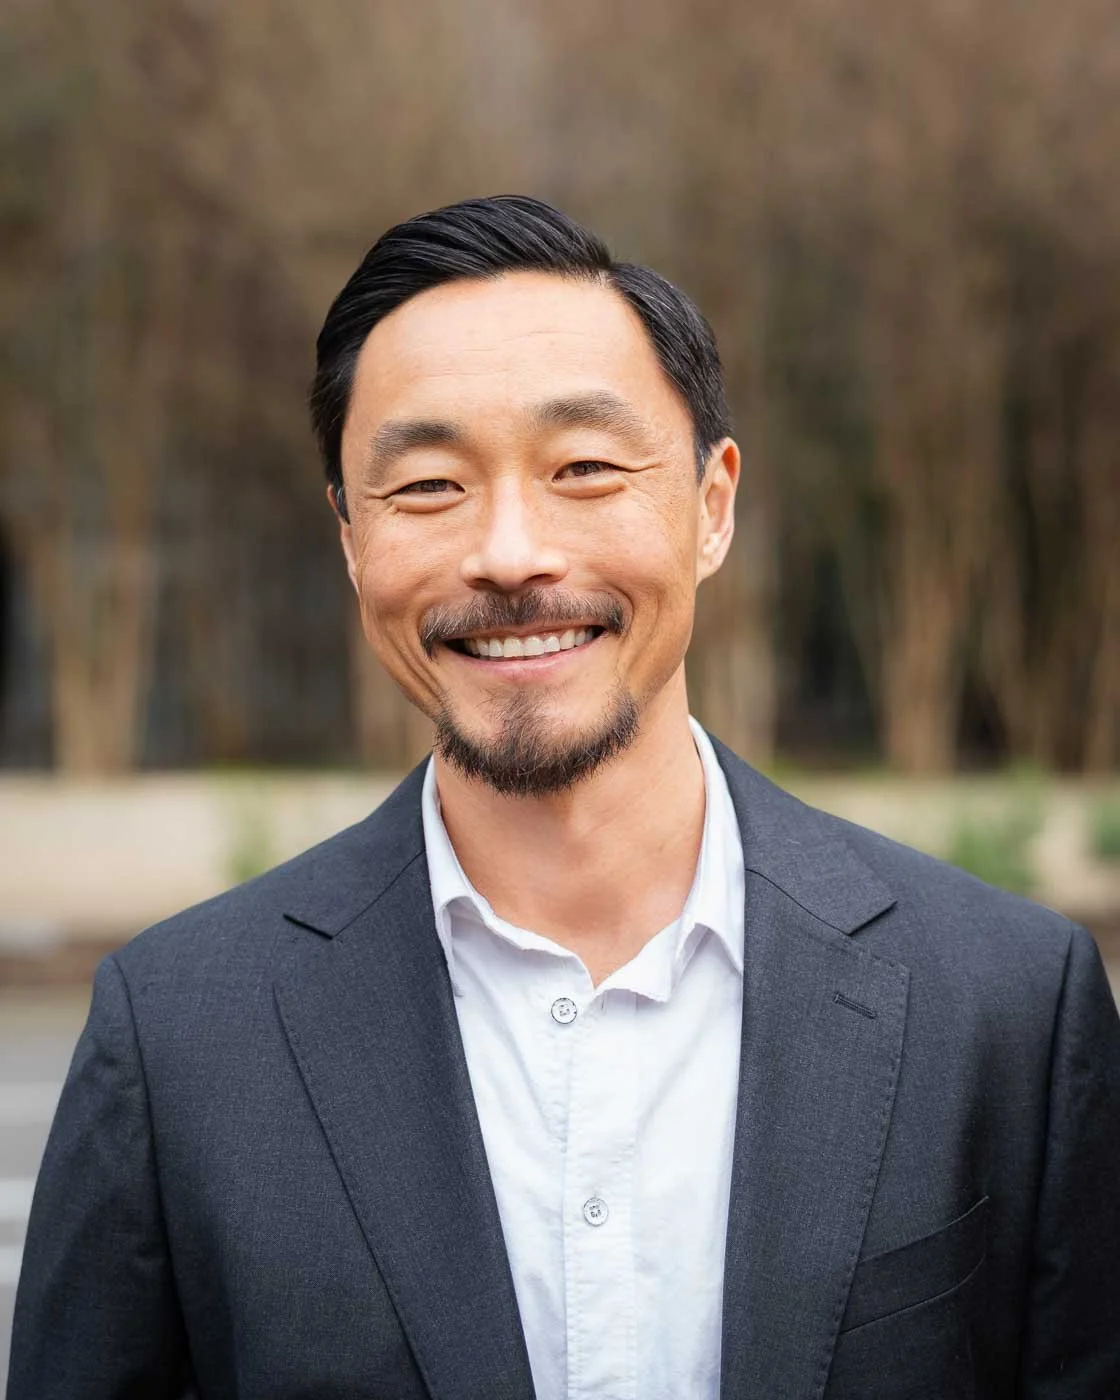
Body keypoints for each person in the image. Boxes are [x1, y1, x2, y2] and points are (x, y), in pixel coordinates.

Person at [9, 196, 1120, 1400]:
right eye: (427, 484)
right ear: (349, 537)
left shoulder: (1006, 1004)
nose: (509, 552)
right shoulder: (176, 1036)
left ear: (712, 504)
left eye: (583, 468)